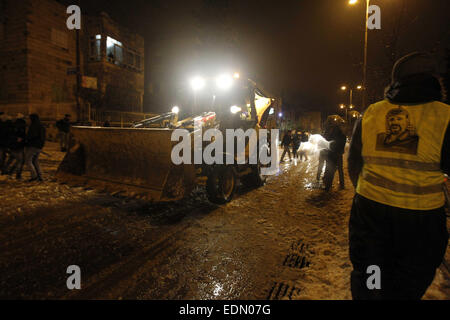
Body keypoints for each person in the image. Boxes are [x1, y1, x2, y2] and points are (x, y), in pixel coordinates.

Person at [347, 52, 449, 300]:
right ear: (435, 80)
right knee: (409, 279)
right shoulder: (445, 116)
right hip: (421, 221)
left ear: (395, 82)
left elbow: (354, 163)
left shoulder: (371, 113)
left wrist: (365, 192)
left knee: (370, 273)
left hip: (371, 214)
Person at [323, 124, 346, 191]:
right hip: (338, 155)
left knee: (330, 170)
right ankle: (342, 185)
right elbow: (342, 146)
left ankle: (328, 185)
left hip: (331, 155)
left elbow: (327, 143)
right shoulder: (343, 136)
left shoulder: (331, 135)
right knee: (340, 170)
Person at [3, 114, 26, 179]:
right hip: (18, 145)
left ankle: (5, 170)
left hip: (12, 145)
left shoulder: (13, 125)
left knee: (12, 158)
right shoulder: (22, 125)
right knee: (20, 160)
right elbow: (22, 136)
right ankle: (17, 174)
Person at [25, 113, 46, 182]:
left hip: (33, 145)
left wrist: (25, 139)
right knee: (35, 161)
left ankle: (34, 176)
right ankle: (40, 176)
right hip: (39, 146)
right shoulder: (41, 125)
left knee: (28, 160)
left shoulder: (34, 126)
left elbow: (32, 135)